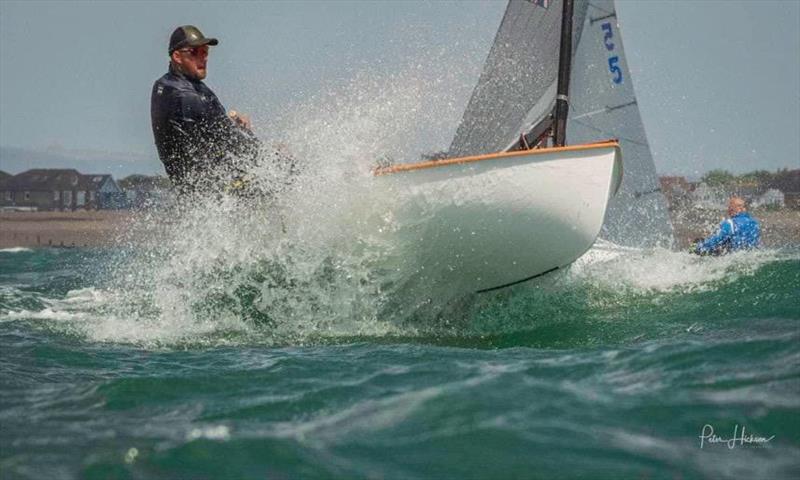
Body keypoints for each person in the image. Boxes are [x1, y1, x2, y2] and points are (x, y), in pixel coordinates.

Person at [150, 25, 258, 191]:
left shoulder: (165, 85)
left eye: (205, 52)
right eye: (194, 52)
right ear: (177, 56)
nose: (202, 58)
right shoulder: (188, 95)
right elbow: (233, 144)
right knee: (284, 168)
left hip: (197, 190)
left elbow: (201, 132)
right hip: (218, 190)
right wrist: (266, 152)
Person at [692, 196, 761, 255]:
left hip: (734, 258)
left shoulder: (730, 223)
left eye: (731, 207)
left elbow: (716, 241)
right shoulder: (754, 223)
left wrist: (698, 247)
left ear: (738, 208)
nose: (728, 210)